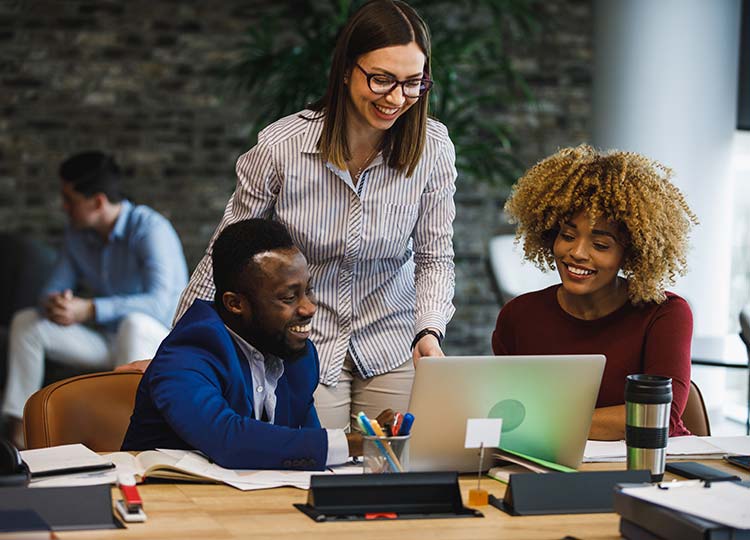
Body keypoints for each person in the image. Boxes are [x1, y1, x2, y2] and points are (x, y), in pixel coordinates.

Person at [170, 0, 457, 430]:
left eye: (413, 83)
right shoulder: (280, 148)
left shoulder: (433, 148)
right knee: (316, 467)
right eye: (381, 79)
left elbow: (435, 257)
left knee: (402, 468)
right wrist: (177, 350)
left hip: (394, 343)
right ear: (346, 70)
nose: (397, 99)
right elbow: (224, 259)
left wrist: (429, 331)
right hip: (303, 346)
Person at [122, 219, 390, 469]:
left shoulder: (299, 355)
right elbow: (227, 440)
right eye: (288, 297)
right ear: (235, 304)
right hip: (165, 502)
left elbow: (306, 446)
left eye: (308, 290)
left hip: (251, 504)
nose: (309, 308)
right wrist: (356, 444)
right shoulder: (188, 352)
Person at [491, 145, 699, 440]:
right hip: (553, 468)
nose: (577, 253)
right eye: (567, 236)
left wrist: (545, 421)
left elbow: (656, 416)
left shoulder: (664, 314)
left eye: (600, 245)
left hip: (654, 470)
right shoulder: (519, 316)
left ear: (630, 253)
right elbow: (508, 415)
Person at [1, 151, 188, 448]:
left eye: (69, 199)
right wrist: (55, 304)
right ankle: (17, 434)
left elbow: (162, 305)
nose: (64, 207)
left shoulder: (150, 229)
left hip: (154, 342)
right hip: (105, 343)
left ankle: (124, 435)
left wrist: (90, 309)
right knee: (27, 321)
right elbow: (50, 291)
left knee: (134, 323)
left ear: (98, 202)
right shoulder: (78, 235)